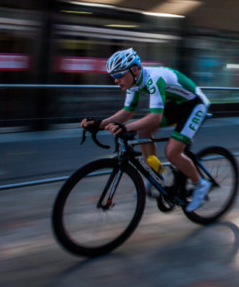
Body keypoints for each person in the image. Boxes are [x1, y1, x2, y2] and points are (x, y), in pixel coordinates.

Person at [81, 48, 211, 212]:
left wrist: (125, 127)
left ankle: (201, 184)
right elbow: (128, 112)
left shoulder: (154, 79)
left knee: (172, 152)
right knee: (143, 133)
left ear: (134, 69)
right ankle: (159, 173)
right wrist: (99, 124)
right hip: (177, 105)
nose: (116, 80)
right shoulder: (133, 83)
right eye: (113, 76)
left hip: (195, 105)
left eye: (118, 75)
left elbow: (155, 117)